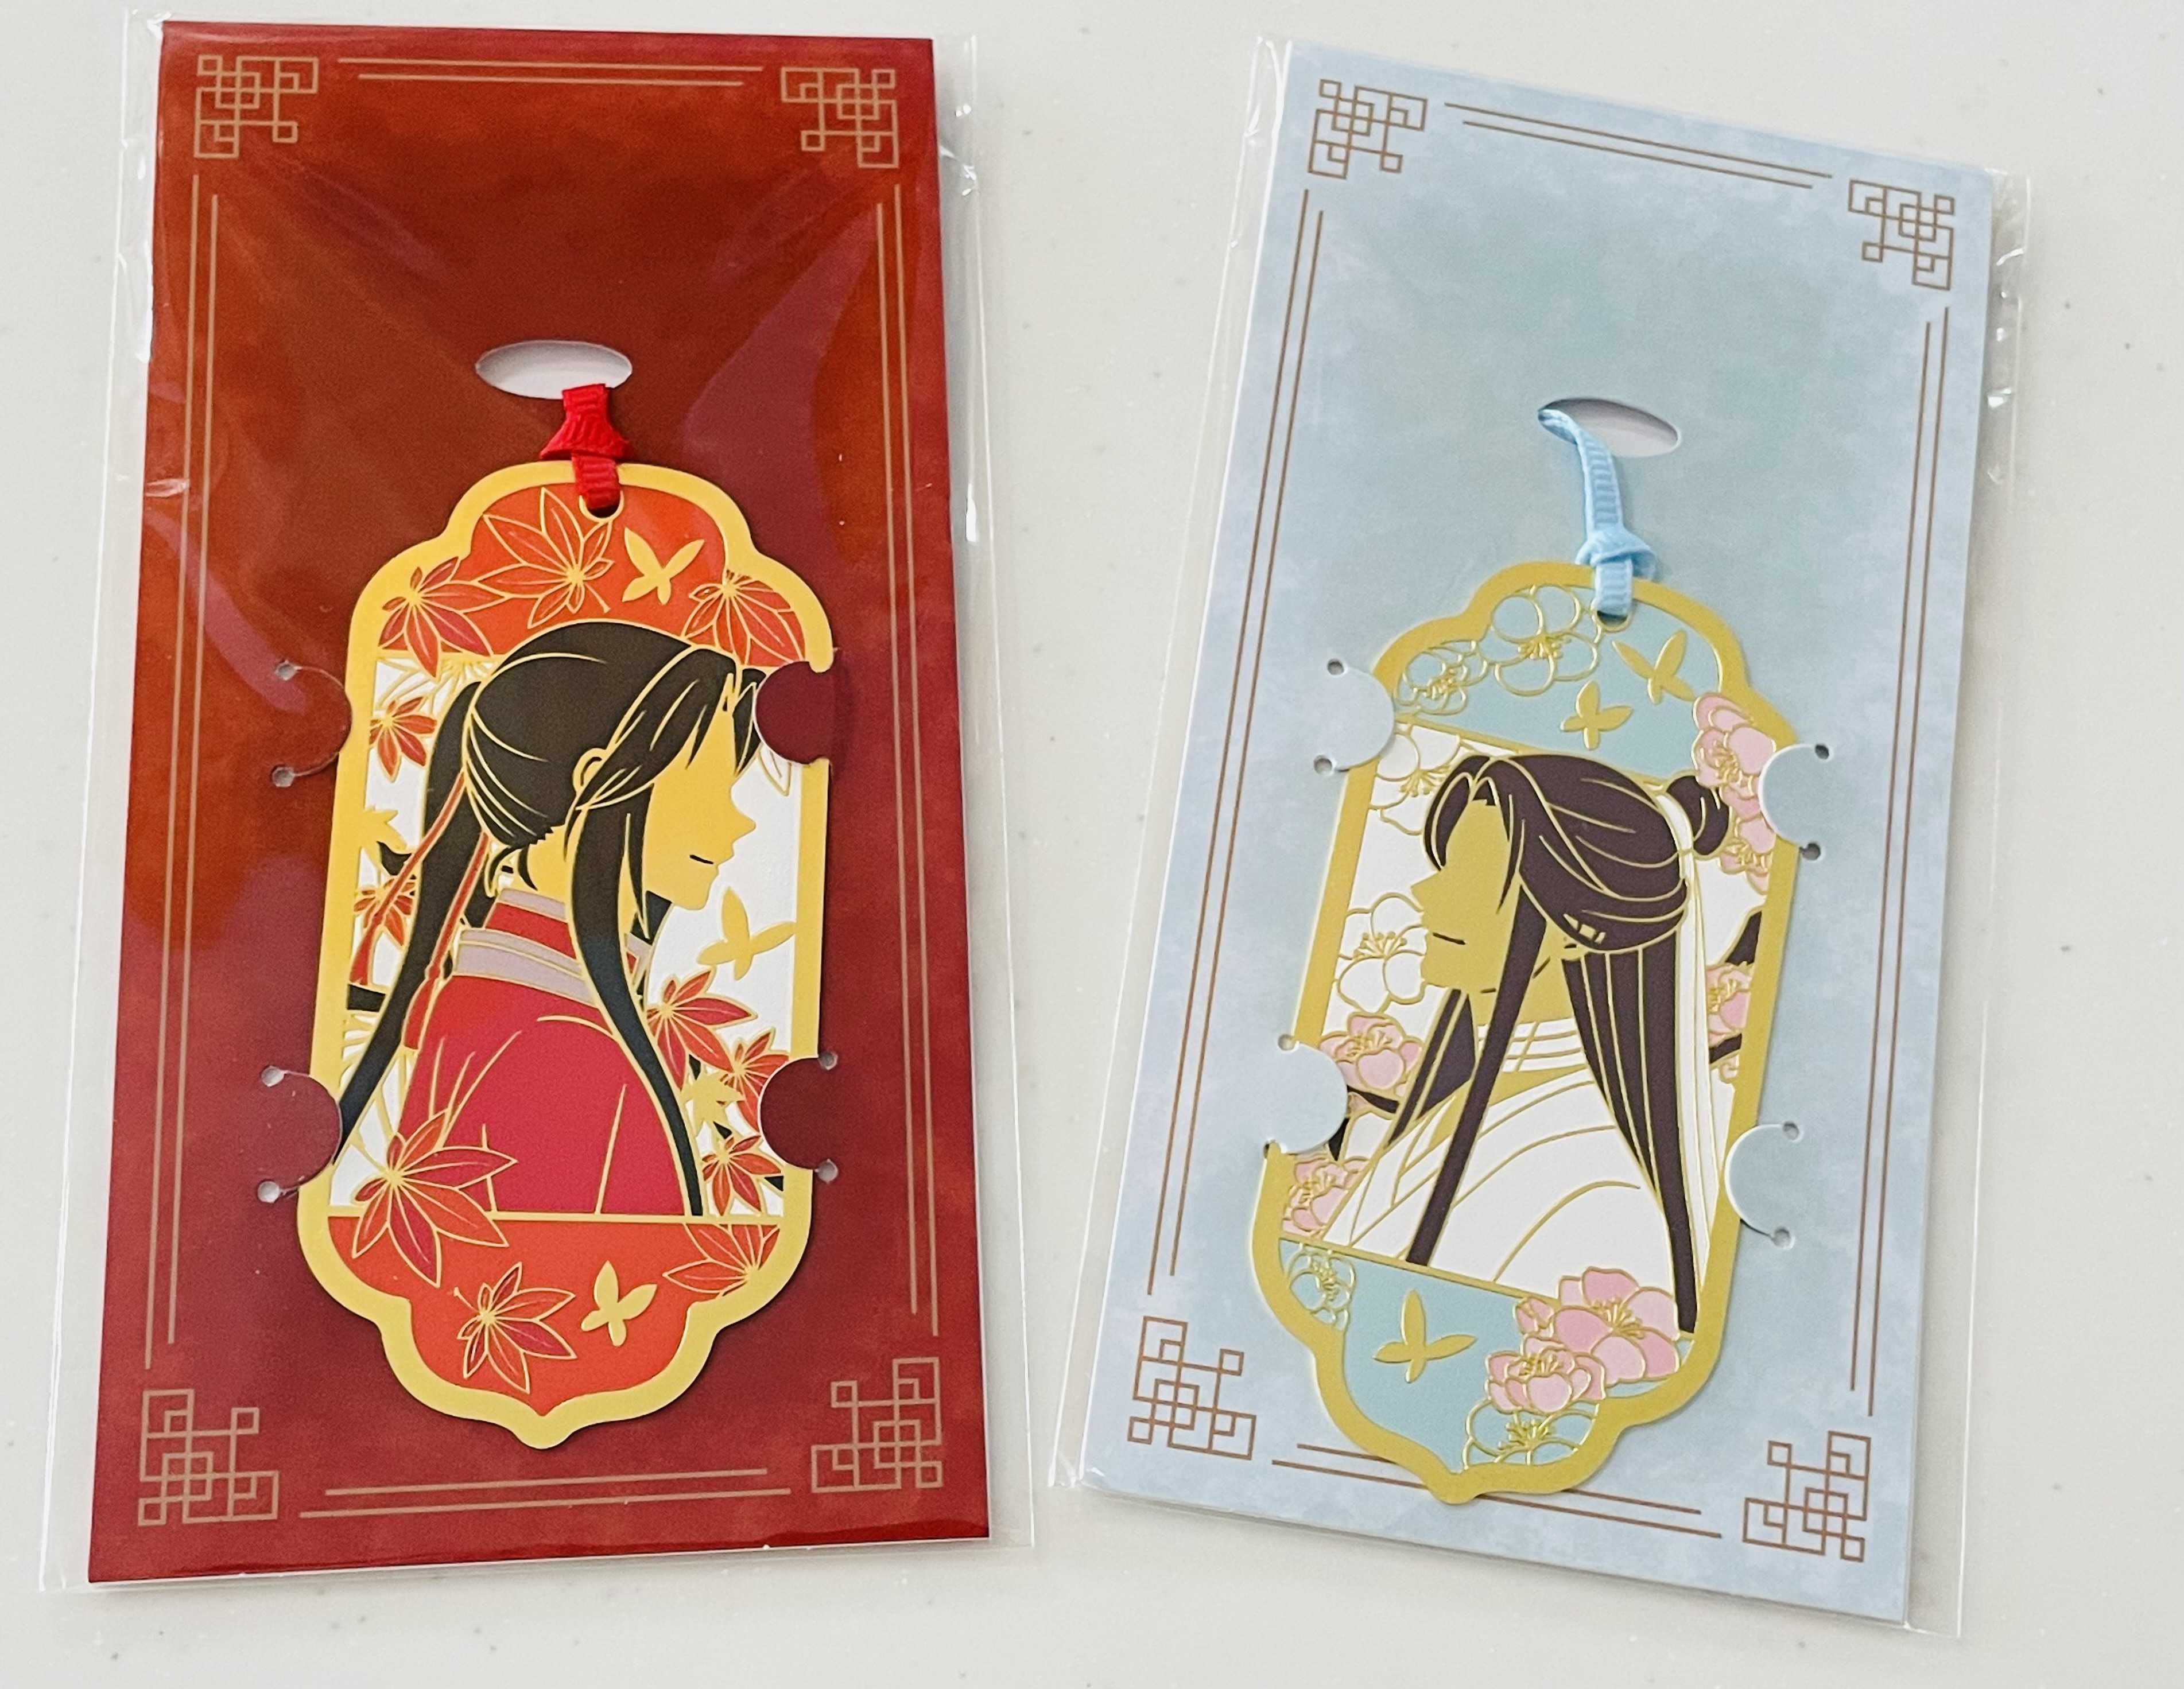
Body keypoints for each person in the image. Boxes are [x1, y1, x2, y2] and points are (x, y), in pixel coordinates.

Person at [337, 620, 765, 1217]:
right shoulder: (562, 1045)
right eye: (709, 787)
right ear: (596, 780)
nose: (741, 822)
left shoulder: (498, 996)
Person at [1320, 750, 1733, 1333]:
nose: (1425, 892)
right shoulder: (1457, 1106)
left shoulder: (1597, 1199)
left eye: (1473, 877)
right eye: (1446, 867)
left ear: (1578, 929)